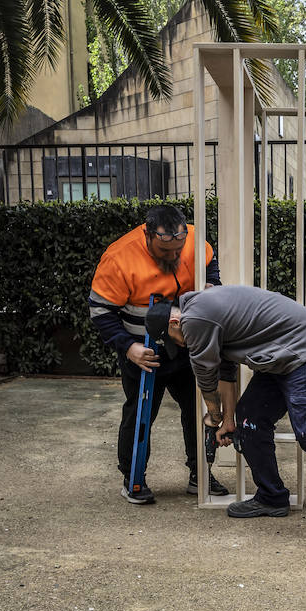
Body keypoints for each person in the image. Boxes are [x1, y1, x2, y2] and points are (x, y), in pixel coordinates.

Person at [144, 285, 306, 550]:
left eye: (176, 339)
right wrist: (230, 420)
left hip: (305, 350)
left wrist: (214, 417)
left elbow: (206, 378)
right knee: (250, 421)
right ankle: (272, 497)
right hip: (279, 357)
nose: (181, 344)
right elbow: (225, 370)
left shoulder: (194, 320)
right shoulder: (201, 312)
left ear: (175, 322)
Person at [88, 204, 229, 504]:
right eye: (165, 252)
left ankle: (200, 475)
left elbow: (210, 264)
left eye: (178, 250)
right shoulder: (119, 257)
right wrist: (129, 347)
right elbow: (101, 311)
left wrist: (210, 285)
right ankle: (132, 478)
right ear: (147, 235)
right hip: (144, 350)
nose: (173, 257)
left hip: (185, 345)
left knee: (195, 409)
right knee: (140, 414)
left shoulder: (192, 238)